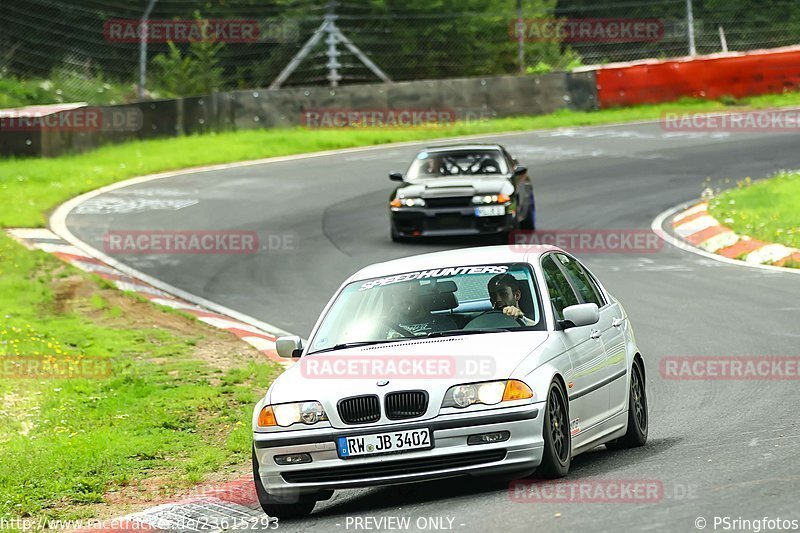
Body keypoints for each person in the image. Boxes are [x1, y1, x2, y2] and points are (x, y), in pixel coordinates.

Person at [387, 282, 457, 337]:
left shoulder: (444, 323)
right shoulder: (383, 327)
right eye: (396, 293)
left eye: (407, 291)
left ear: (419, 294)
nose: (402, 297)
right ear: (392, 298)